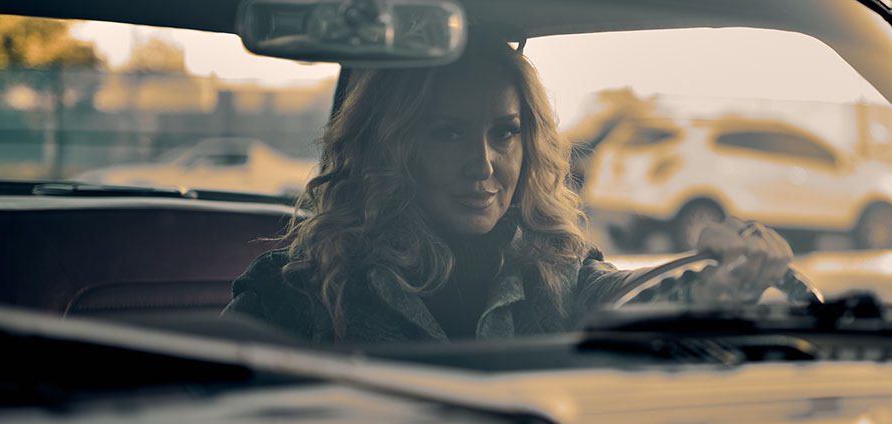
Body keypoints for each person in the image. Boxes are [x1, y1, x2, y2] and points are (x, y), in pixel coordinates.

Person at [222, 37, 793, 344]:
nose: (483, 165)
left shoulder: (557, 274)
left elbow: (629, 303)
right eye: (448, 133)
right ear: (395, 146)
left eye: (504, 133)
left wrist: (715, 283)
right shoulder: (299, 290)